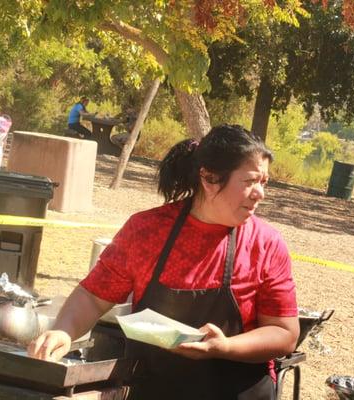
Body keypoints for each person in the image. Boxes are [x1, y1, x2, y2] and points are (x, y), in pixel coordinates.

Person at [28, 124, 299, 400]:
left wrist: (224, 346)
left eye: (264, 183)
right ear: (209, 178)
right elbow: (93, 296)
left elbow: (284, 333)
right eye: (251, 181)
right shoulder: (148, 230)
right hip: (152, 389)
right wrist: (63, 331)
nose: (260, 194)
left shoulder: (265, 243)